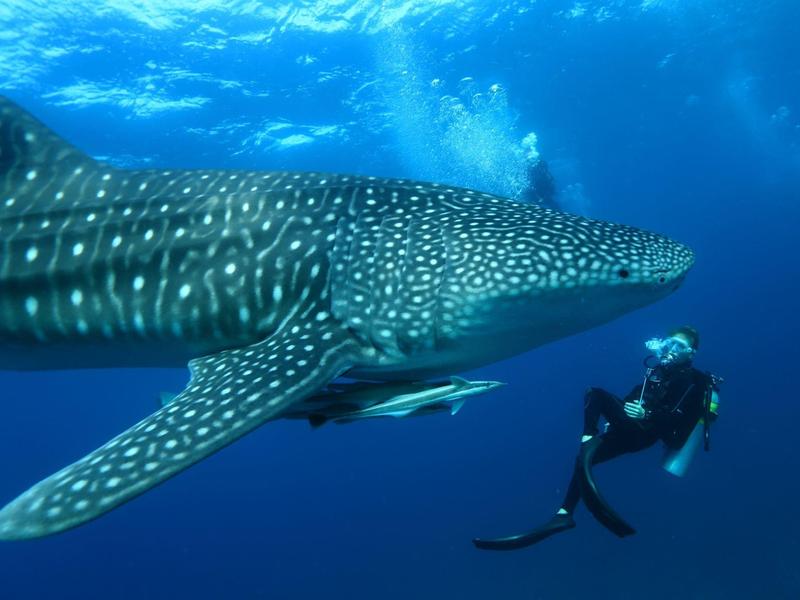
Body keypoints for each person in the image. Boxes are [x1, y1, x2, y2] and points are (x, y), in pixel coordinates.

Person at [473, 325, 721, 551]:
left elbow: (677, 417)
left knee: (596, 394)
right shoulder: (657, 372)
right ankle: (564, 514)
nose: (672, 350)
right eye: (670, 343)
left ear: (691, 354)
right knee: (584, 458)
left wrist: (647, 413)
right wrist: (620, 413)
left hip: (646, 434)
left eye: (680, 347)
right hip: (631, 430)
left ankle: (587, 438)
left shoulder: (693, 381)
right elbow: (635, 396)